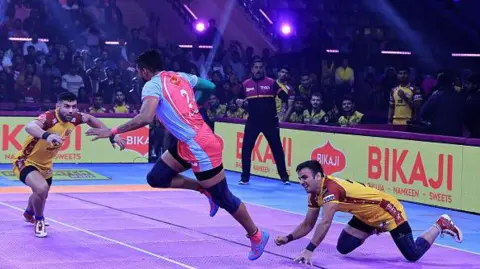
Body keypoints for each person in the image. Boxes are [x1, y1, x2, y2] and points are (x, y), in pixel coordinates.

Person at [85, 49, 270, 261]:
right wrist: (197, 104)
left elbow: (145, 117)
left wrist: (112, 131)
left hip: (201, 146)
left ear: (145, 71)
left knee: (224, 197)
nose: (138, 75)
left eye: (138, 71)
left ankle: (256, 235)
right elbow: (210, 86)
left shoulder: (152, 85)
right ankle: (204, 189)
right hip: (188, 142)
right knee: (156, 178)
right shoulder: (180, 76)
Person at [275, 160, 463, 265]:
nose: (302, 182)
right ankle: (373, 228)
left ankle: (441, 224)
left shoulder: (331, 189)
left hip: (387, 210)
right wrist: (289, 238)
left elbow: (325, 222)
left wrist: (309, 251)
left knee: (412, 254)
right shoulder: (314, 194)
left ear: (318, 176)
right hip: (366, 215)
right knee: (343, 247)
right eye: (299, 178)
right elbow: (308, 224)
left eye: (305, 177)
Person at [12, 92, 126, 238]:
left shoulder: (74, 117)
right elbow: (30, 126)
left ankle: (29, 213)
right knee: (41, 189)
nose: (71, 110)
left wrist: (112, 134)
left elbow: (90, 118)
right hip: (25, 160)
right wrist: (48, 135)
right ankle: (39, 221)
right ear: (57, 106)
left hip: (45, 164)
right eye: (66, 106)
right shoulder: (49, 118)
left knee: (42, 194)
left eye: (74, 106)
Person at [236, 58, 290, 185]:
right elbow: (238, 99)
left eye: (260, 67)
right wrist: (238, 102)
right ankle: (244, 178)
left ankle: (285, 178)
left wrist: (283, 110)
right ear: (252, 69)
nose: (258, 70)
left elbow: (285, 97)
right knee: (246, 149)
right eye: (256, 67)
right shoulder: (245, 84)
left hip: (270, 122)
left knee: (277, 149)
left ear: (263, 69)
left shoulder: (272, 83)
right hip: (253, 121)